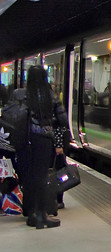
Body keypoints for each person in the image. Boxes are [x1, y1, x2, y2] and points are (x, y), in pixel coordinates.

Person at [13, 66, 69, 229]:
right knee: (42, 177)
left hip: (24, 141)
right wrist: (59, 144)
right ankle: (42, 215)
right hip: (43, 142)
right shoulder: (49, 96)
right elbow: (62, 121)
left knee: (29, 177)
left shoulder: (20, 95)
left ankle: (31, 213)